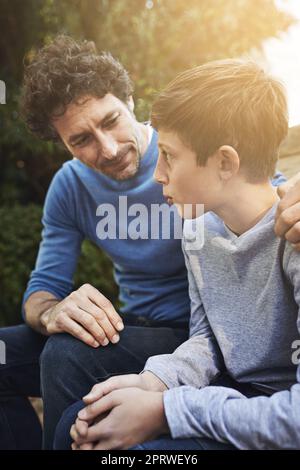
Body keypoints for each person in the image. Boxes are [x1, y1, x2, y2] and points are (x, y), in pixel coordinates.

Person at [0, 35, 299, 450]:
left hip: (194, 341)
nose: (107, 149)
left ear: (130, 101)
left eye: (110, 122)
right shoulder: (73, 189)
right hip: (150, 334)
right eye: (80, 140)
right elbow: (43, 288)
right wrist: (53, 311)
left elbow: (257, 191)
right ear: (63, 145)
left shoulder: (196, 161)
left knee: (66, 356)